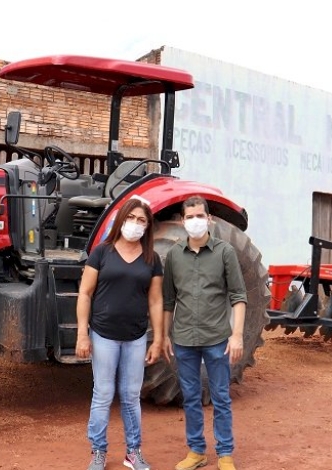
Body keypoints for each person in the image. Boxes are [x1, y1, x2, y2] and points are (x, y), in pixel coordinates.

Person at [76, 197, 167, 470]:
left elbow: (156, 301)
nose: (135, 224)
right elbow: (85, 293)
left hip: (135, 337)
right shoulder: (101, 253)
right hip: (103, 334)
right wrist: (82, 333)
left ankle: (133, 452)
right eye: (131, 218)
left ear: (147, 226)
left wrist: (158, 339)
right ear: (121, 219)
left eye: (141, 220)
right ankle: (98, 451)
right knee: (103, 394)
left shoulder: (152, 259)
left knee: (130, 396)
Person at [162, 195, 247, 470]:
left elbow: (238, 296)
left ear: (209, 219)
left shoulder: (225, 252)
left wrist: (237, 336)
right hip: (184, 340)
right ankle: (196, 451)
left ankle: (225, 453)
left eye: (200, 216)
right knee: (190, 398)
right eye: (190, 217)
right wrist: (164, 336)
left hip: (217, 339)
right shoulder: (174, 255)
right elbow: (168, 301)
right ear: (182, 221)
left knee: (220, 397)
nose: (195, 221)